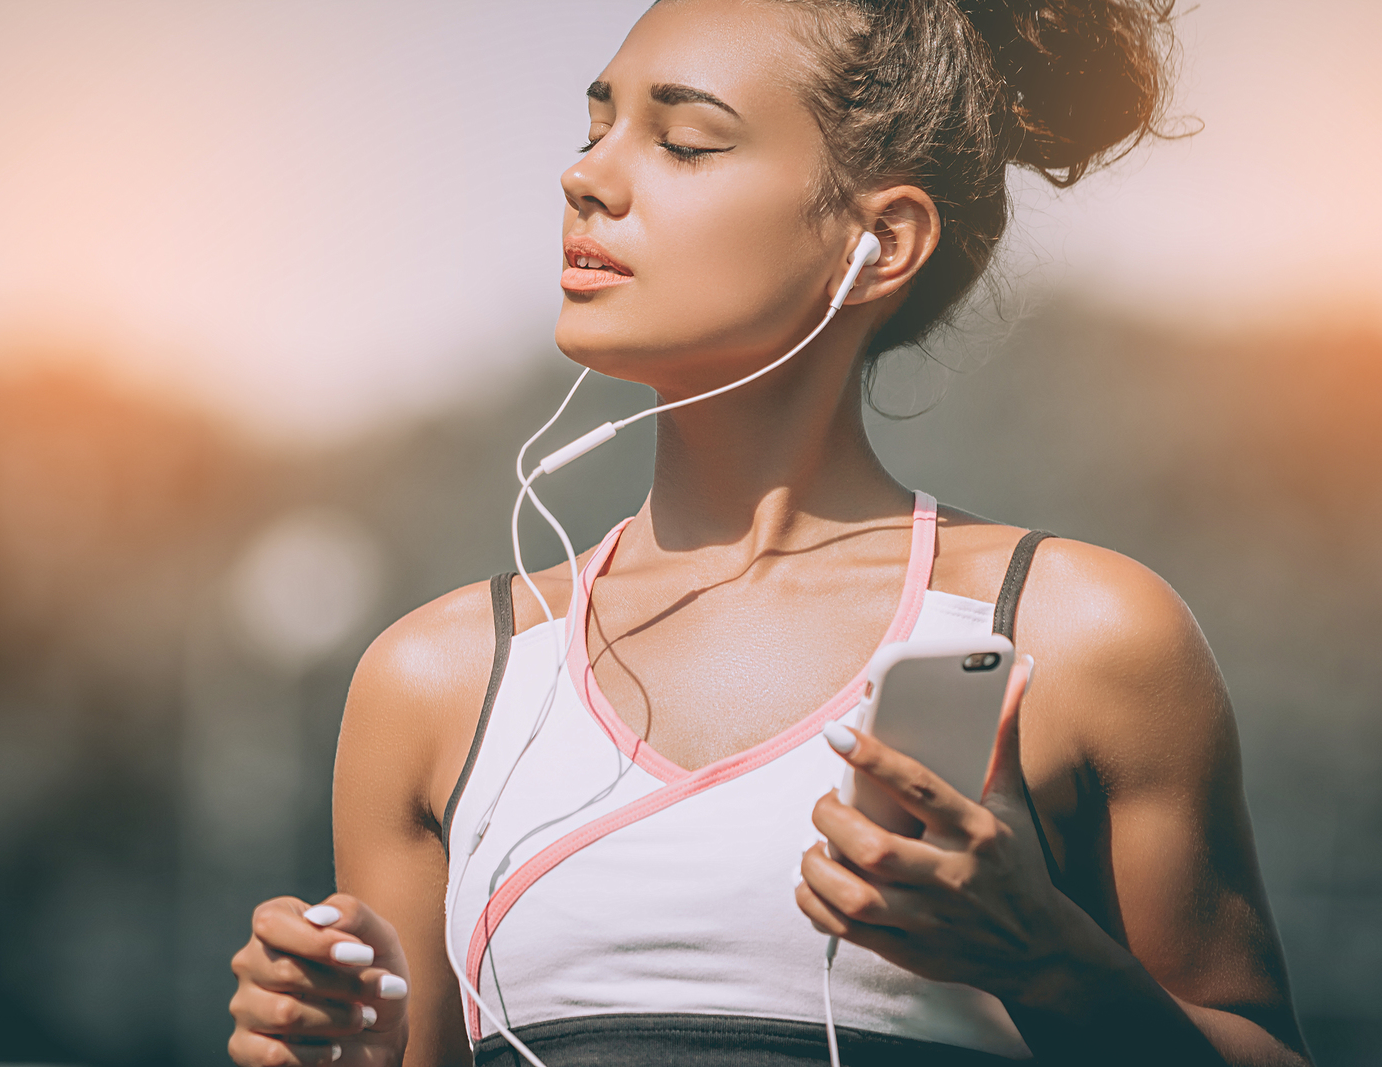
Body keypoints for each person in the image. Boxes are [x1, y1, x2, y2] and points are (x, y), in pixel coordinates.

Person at [227, 0, 1311, 1064]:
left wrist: (1051, 962)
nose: (586, 176)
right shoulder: (435, 680)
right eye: (594, 125)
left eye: (685, 141)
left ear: (880, 240)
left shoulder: (1080, 634)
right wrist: (343, 1051)